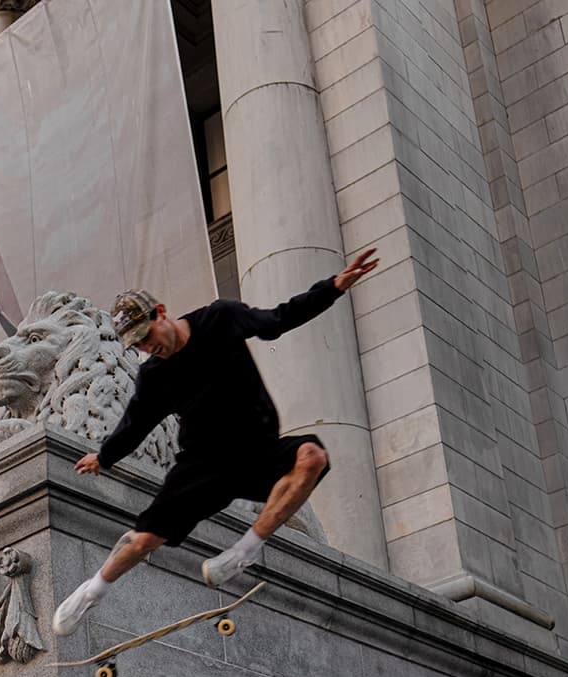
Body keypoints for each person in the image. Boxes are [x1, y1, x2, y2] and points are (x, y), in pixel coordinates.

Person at [52, 248, 380, 636]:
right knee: (143, 539)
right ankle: (91, 592)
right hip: (202, 466)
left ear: (161, 311)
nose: (147, 347)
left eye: (147, 336)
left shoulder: (221, 318)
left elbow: (280, 318)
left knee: (312, 457)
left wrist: (334, 287)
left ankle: (241, 554)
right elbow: (134, 425)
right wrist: (103, 458)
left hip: (256, 451)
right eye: (137, 345)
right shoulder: (154, 376)